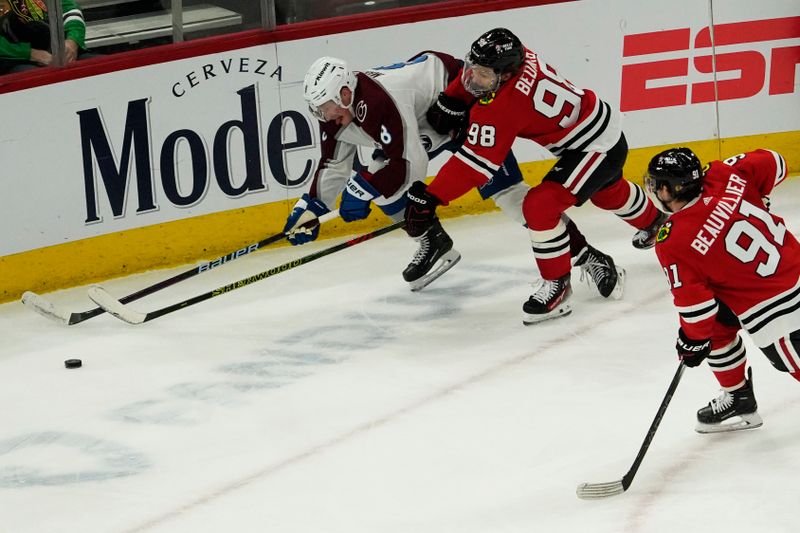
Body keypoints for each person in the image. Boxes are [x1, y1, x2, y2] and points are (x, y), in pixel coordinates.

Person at [285, 52, 624, 297]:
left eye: (325, 106)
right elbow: (333, 163)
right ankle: (432, 240)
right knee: (381, 181)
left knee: (511, 198)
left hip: (462, 111)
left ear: (345, 93)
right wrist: (312, 206)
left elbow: (407, 165)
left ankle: (588, 256)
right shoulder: (339, 113)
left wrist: (364, 190)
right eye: (317, 109)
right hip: (421, 123)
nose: (323, 115)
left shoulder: (377, 102)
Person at [403, 28, 666, 324]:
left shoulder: (504, 105)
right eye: (472, 69)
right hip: (598, 131)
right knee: (606, 191)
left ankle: (558, 286)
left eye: (483, 74)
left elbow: (475, 165)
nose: (472, 78)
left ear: (504, 75)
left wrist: (431, 196)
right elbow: (484, 77)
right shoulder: (519, 56)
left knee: (539, 206)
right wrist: (453, 98)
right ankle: (656, 222)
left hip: (596, 147)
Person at [645, 146, 797, 433]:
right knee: (716, 328)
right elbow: (775, 161)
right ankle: (739, 398)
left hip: (778, 309)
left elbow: (695, 306)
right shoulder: (723, 173)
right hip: (783, 271)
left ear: (667, 189)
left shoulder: (673, 239)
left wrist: (691, 342)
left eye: (655, 184)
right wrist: (758, 198)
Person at [0, 0, 90, 75]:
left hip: (56, 50)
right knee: (37, 77)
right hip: (13, 59)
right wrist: (30, 54)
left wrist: (72, 42)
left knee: (97, 65)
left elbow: (70, 10)